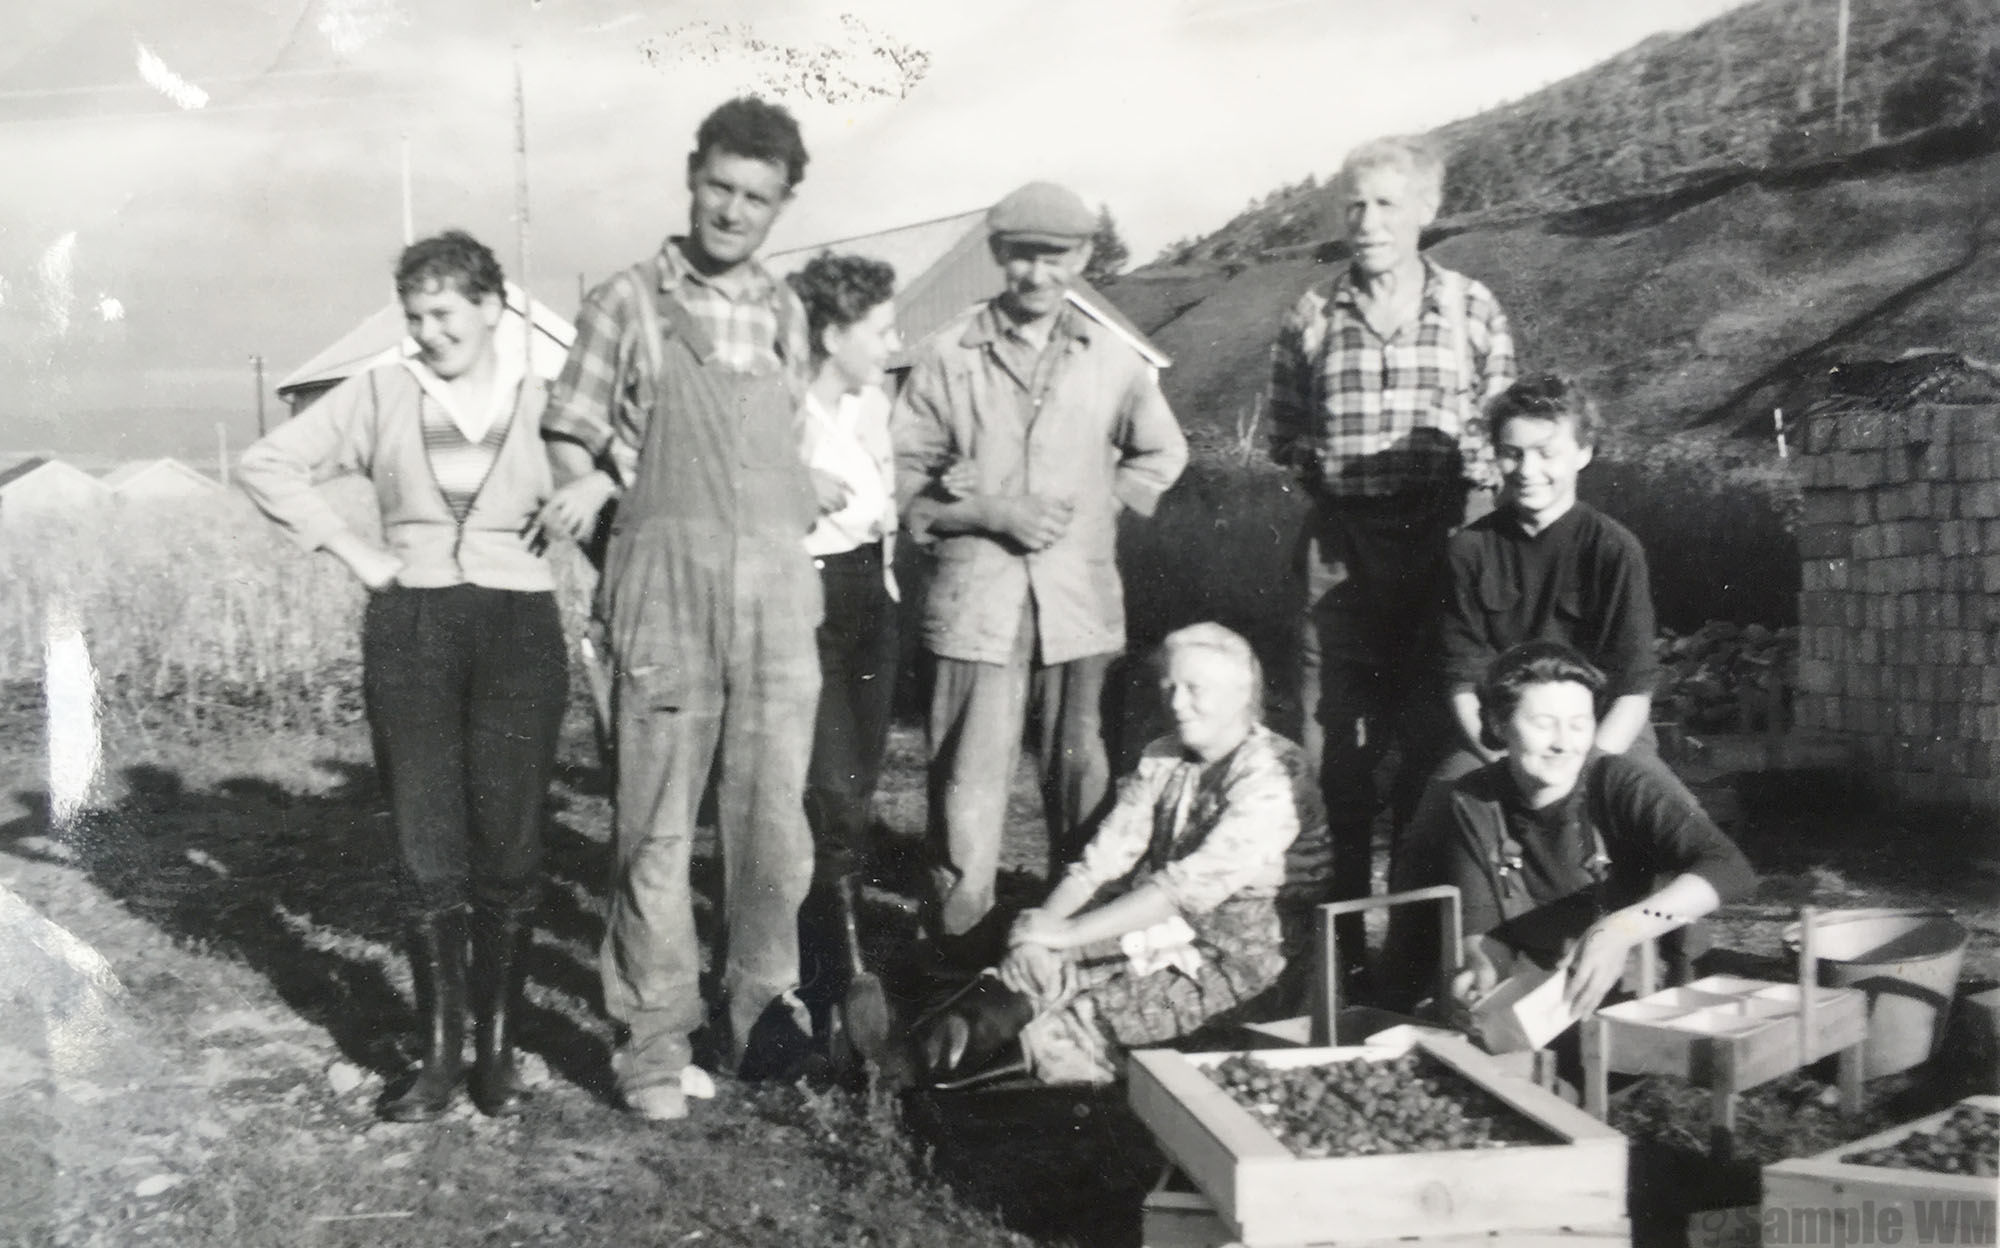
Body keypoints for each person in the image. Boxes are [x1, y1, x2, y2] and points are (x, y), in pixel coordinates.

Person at [237, 229, 568, 1121]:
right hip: (411, 627)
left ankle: (497, 1055)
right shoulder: (383, 392)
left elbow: (628, 468)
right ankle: (436, 1058)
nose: (429, 332)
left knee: (508, 844)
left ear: (493, 309)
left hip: (521, 629)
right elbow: (267, 462)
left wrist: (596, 493)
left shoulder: (549, 399)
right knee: (426, 852)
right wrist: (356, 551)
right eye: (416, 316)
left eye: (445, 313)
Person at [536, 97, 819, 1121]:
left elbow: (784, 449)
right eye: (720, 187)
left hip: (777, 601)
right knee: (655, 831)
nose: (734, 211)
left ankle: (760, 1017)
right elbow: (568, 430)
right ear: (690, 175)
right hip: (661, 591)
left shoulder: (786, 315)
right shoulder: (626, 301)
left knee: (773, 828)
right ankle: (655, 1045)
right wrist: (583, 481)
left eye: (757, 197)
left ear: (782, 204)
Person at [891, 180, 1189, 965]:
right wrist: (985, 513)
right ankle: (956, 960)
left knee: (1083, 777)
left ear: (1083, 258)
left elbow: (1162, 451)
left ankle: (1073, 950)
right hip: (974, 602)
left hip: (1079, 603)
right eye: (1020, 258)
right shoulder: (948, 357)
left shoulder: (1114, 361)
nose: (1036, 276)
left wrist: (1107, 506)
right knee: (968, 785)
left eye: (1054, 258)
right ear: (999, 257)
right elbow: (902, 476)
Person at [1266, 135, 1515, 988]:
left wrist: (1453, 524)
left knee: (1431, 745)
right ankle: (1330, 957)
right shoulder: (1311, 315)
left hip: (1441, 548)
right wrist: (1344, 489)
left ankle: (1413, 959)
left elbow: (1498, 436)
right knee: (1331, 748)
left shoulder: (1472, 309)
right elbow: (1286, 435)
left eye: (1384, 204)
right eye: (1354, 205)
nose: (1366, 222)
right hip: (1339, 553)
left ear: (1424, 213)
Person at [907, 624, 1330, 1088]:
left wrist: (1067, 932)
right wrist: (1041, 935)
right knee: (1038, 969)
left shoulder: (1271, 772)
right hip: (1174, 928)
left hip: (1254, 958)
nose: (1176, 702)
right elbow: (1103, 860)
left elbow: (1181, 889)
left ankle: (953, 1084)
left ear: (1241, 693)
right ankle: (914, 1053)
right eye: (1169, 686)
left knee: (1097, 1015)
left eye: (1196, 689)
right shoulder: (1165, 756)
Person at [1427, 641, 1755, 1032]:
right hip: (1542, 1007)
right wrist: (1482, 969)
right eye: (1543, 723)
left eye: (1579, 723)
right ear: (1499, 724)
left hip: (1644, 1004)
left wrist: (1621, 930)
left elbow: (1732, 869)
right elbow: (1483, 927)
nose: (1564, 742)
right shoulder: (1475, 800)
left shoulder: (1618, 782)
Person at [784, 251, 903, 1059]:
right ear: (833, 334)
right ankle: (831, 988)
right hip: (811, 603)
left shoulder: (873, 408)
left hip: (870, 600)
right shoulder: (783, 414)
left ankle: (838, 977)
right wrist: (793, 485)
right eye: (882, 329)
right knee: (831, 797)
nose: (894, 344)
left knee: (856, 795)